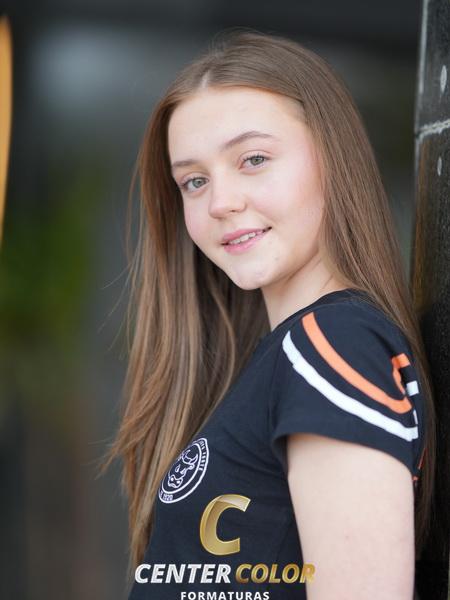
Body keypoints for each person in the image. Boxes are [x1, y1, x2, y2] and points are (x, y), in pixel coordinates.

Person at [102, 30, 436, 599]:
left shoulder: (335, 345)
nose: (220, 202)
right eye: (194, 181)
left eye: (253, 159)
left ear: (333, 159)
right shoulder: (285, 356)